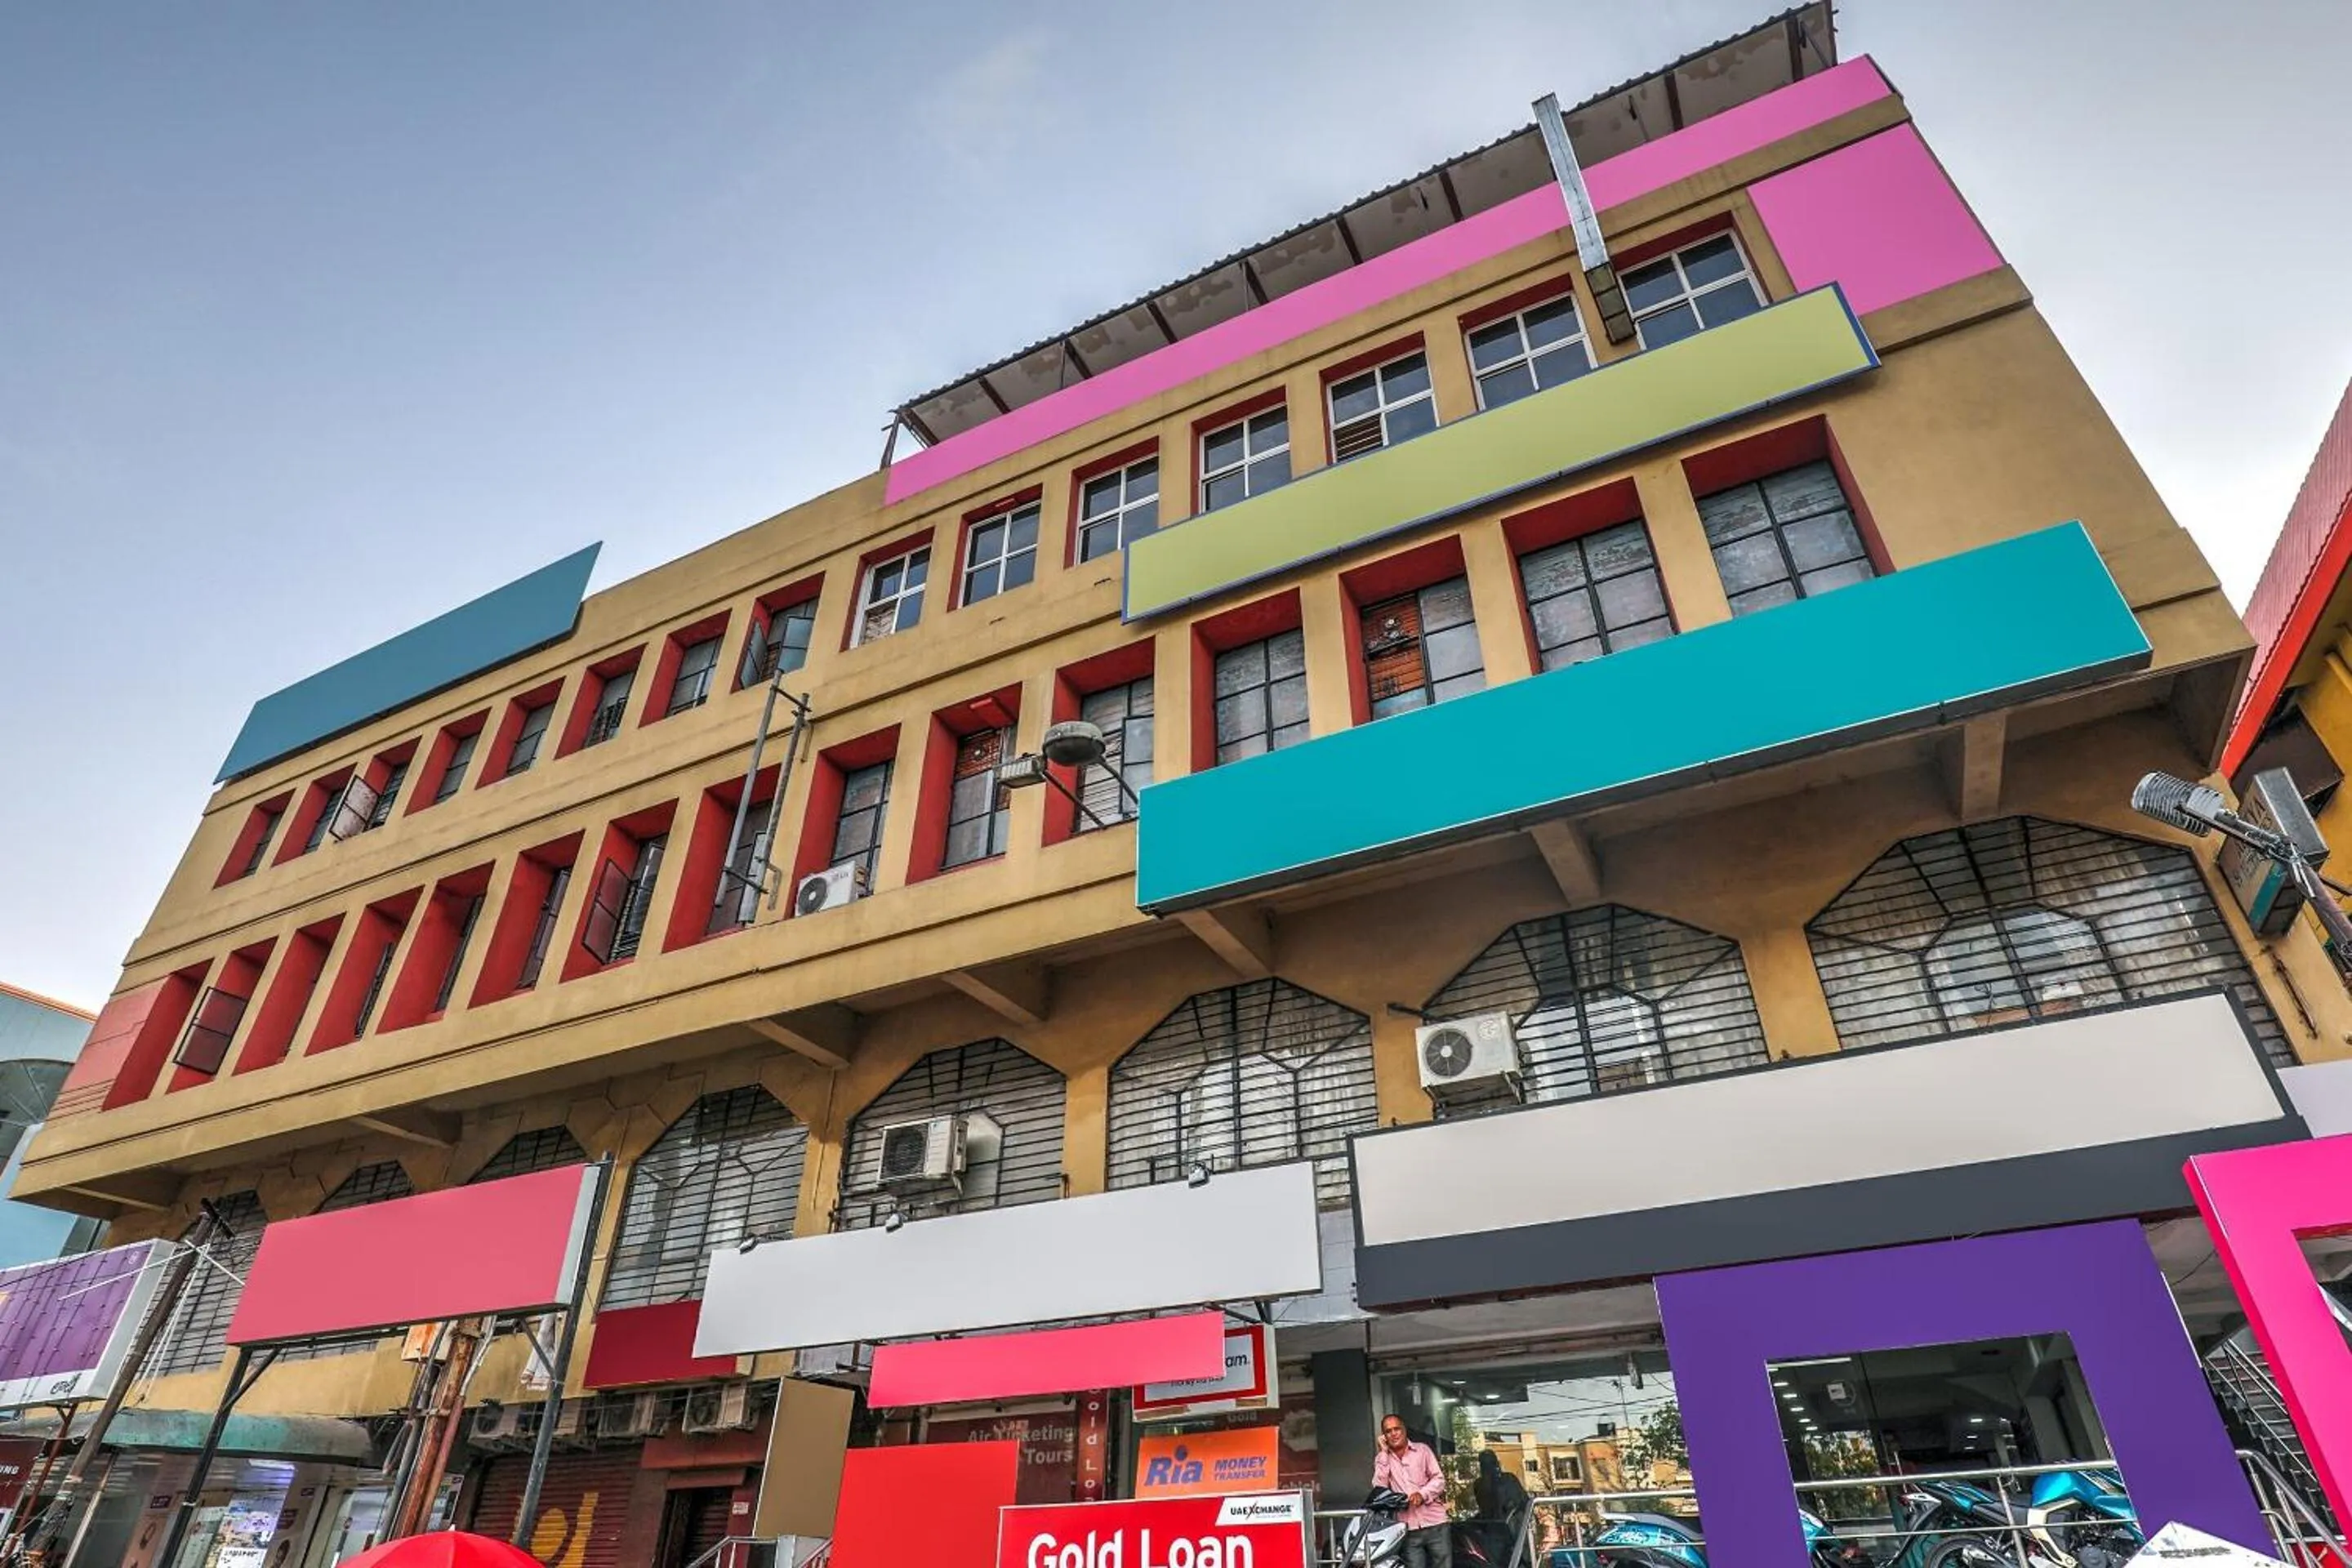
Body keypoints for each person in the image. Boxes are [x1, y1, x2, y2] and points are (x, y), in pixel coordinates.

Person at [1374, 1416, 1451, 1568]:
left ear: (1404, 1430)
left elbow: (1439, 1479)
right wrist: (1383, 1453)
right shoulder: (1382, 1459)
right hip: (1408, 1528)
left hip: (1436, 1524)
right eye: (1388, 1431)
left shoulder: (1423, 1450)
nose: (1394, 1434)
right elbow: (1379, 1488)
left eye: (1397, 1429)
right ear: (1384, 1436)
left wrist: (1422, 1495)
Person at [1472, 1450, 1529, 1567]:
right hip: (1493, 1534)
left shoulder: (1508, 1480)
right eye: (1485, 1464)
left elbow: (1523, 1504)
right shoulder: (1480, 1484)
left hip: (1511, 1534)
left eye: (1489, 1463)